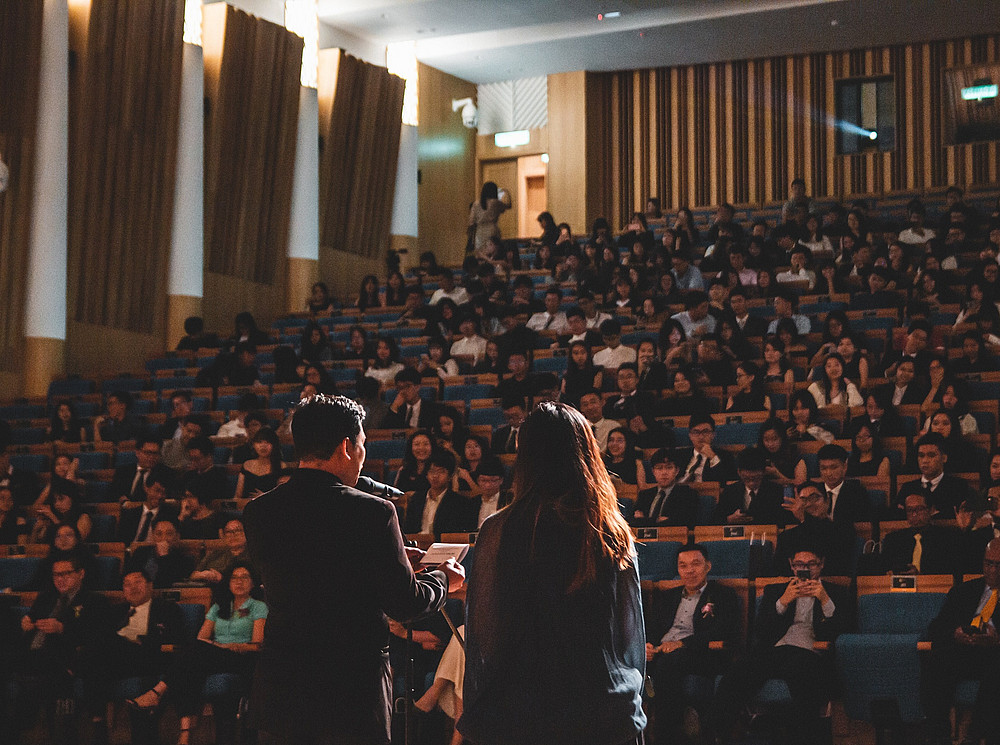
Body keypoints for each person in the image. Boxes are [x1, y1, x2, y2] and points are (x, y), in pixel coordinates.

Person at [242, 394, 463, 744]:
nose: (363, 454)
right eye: (362, 444)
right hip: (351, 689)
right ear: (347, 446)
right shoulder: (373, 511)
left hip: (283, 685)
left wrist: (386, 558)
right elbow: (405, 604)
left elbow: (305, 573)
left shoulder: (258, 511)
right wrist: (443, 579)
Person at [459, 401, 646, 745]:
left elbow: (484, 633)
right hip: (601, 703)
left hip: (522, 706)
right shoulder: (610, 528)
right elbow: (628, 630)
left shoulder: (498, 528)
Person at [713, 542, 850, 743]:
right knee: (738, 670)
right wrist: (783, 602)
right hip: (775, 652)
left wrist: (824, 600)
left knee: (799, 669)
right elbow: (761, 632)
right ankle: (720, 732)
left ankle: (804, 737)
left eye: (811, 564)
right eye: (799, 564)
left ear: (821, 564)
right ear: (792, 566)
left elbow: (842, 631)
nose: (805, 569)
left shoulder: (836, 592)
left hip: (810, 653)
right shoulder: (776, 591)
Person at [127, 563, 266, 745]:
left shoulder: (258, 607)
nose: (239, 582)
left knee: (189, 659)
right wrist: (218, 646)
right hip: (215, 653)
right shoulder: (219, 606)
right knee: (190, 663)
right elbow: (202, 637)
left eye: (244, 577)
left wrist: (232, 646)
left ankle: (159, 694)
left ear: (253, 583)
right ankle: (184, 735)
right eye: (234, 577)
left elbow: (257, 645)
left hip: (241, 656)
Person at [645, 543, 740, 745]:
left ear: (708, 566)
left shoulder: (723, 595)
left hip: (701, 654)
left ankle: (664, 734)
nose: (689, 570)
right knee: (638, 660)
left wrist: (682, 644)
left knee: (668, 664)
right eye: (683, 565)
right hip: (663, 652)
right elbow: (653, 628)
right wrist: (648, 645)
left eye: (696, 564)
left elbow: (722, 631)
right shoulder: (667, 596)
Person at [91, 569, 186, 745]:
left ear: (150, 586)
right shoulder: (115, 612)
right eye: (127, 584)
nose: (133, 588)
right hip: (117, 660)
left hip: (150, 658)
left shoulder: (167, 609)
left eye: (138, 582)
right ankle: (98, 722)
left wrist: (142, 641)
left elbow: (177, 640)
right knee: (93, 656)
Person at [921, 539, 1000, 745]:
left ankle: (974, 734)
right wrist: (955, 633)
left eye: (998, 565)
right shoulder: (964, 591)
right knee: (937, 658)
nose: (993, 570)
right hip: (965, 649)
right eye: (989, 564)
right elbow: (936, 627)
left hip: (994, 654)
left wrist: (996, 640)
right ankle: (939, 734)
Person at [895, 432, 975, 518]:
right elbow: (895, 517)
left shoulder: (958, 486)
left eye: (931, 455)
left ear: (944, 458)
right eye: (921, 456)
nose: (925, 460)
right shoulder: (908, 488)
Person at [878, 493, 958, 575]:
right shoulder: (893, 540)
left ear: (931, 510)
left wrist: (920, 575)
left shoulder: (947, 538)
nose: (914, 514)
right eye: (910, 510)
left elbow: (950, 570)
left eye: (919, 509)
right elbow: (884, 569)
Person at [403, 449, 477, 538]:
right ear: (426, 474)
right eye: (432, 471)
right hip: (417, 543)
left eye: (441, 472)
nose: (435, 476)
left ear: (450, 476)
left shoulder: (459, 503)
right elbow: (408, 530)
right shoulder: (417, 499)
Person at [714, 447, 789, 525]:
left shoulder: (776, 491)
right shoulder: (730, 491)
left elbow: (783, 520)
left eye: (756, 478)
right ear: (739, 472)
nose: (751, 483)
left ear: (763, 472)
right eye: (747, 478)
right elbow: (716, 520)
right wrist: (729, 519)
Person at [631, 449, 698, 527]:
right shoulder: (644, 495)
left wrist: (644, 520)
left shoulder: (687, 494)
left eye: (669, 468)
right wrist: (658, 520)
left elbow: (682, 522)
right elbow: (632, 521)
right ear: (653, 472)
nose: (664, 472)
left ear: (677, 471)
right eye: (659, 468)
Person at [117, 466, 179, 546]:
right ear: (146, 488)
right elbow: (119, 542)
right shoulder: (129, 514)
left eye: (164, 493)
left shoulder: (169, 515)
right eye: (157, 490)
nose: (159, 496)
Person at [675, 413, 737, 484]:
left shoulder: (726, 456)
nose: (701, 437)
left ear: (713, 435)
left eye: (705, 432)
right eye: (696, 432)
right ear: (690, 436)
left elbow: (727, 480)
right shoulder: (679, 455)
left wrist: (713, 457)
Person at [468, 182, 510, 259]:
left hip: (479, 231)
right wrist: (506, 192)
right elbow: (508, 205)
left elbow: (471, 222)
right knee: (494, 253)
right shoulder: (495, 202)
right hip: (492, 228)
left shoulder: (476, 203)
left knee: (480, 254)